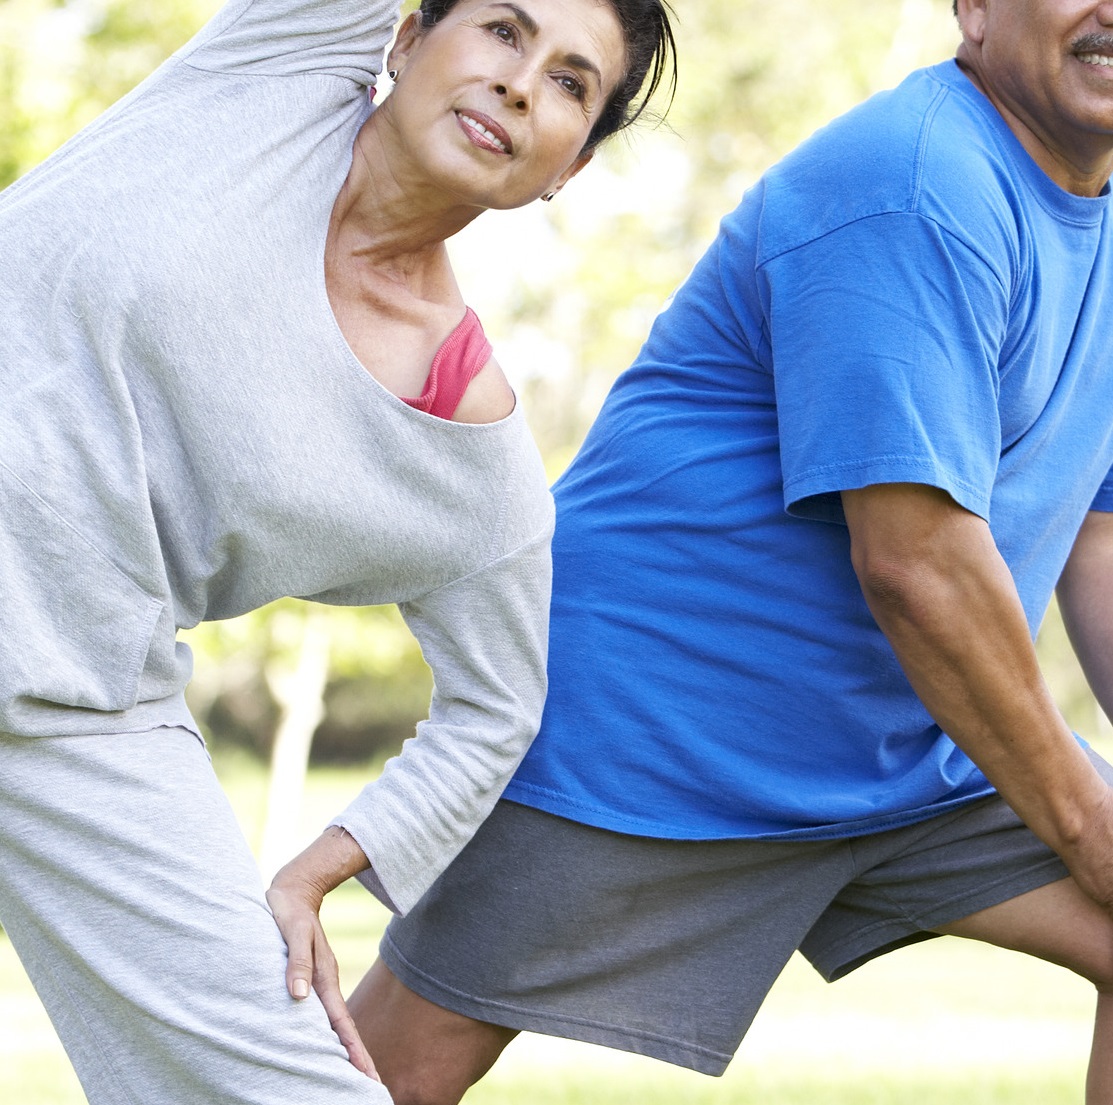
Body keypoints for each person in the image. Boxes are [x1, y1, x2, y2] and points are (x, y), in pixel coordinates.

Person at [336, 1, 1113, 1102]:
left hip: (912, 749)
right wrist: (1090, 830)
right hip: (651, 731)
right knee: (379, 1081)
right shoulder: (917, 180)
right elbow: (917, 564)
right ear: (975, 8)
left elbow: (1096, 530)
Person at [0, 0, 676, 1101]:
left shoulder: (469, 454)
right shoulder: (282, 64)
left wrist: (324, 869)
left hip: (72, 713)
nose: (519, 83)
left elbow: (496, 708)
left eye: (569, 83)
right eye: (504, 29)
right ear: (405, 40)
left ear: (571, 167)